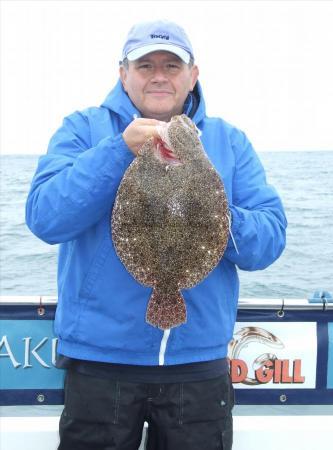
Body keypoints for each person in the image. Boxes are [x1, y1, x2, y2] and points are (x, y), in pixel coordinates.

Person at [26, 19, 287, 450]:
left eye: (172, 64)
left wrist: (214, 207)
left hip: (198, 364)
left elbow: (269, 241)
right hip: (99, 362)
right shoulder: (84, 130)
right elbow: (45, 218)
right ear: (123, 74)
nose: (159, 75)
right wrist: (117, 152)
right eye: (145, 65)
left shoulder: (228, 142)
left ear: (193, 75)